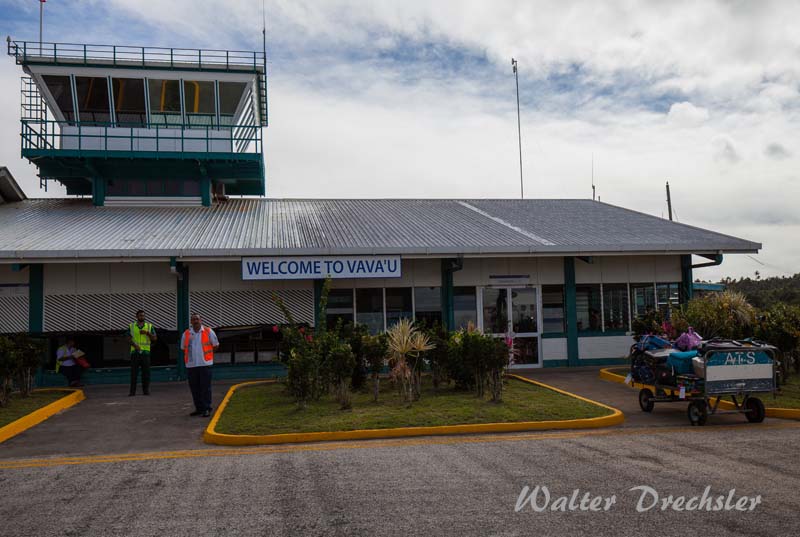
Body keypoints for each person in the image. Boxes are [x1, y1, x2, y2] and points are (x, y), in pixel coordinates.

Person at [180, 313, 219, 417]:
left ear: (201, 320)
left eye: (197, 319)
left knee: (205, 388)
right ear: (191, 322)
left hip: (205, 364)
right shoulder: (186, 333)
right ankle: (199, 408)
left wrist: (208, 355)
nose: (195, 321)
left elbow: (215, 346)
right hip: (191, 365)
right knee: (195, 388)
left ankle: (207, 408)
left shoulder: (208, 331)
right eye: (193, 319)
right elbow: (183, 348)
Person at [127, 309, 157, 396]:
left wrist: (147, 333)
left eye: (143, 315)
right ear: (136, 317)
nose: (142, 317)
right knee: (134, 373)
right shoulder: (131, 326)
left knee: (146, 373)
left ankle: (146, 391)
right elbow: (127, 338)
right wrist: (134, 345)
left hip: (145, 353)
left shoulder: (149, 326)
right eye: (140, 315)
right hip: (135, 353)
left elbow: (155, 338)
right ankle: (132, 392)